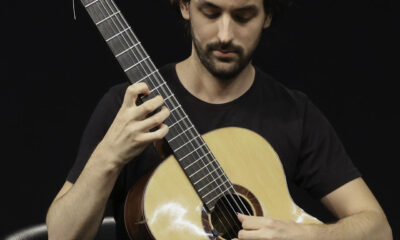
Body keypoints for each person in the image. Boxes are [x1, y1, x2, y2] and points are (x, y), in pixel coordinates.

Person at [46, 0, 393, 239]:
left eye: (243, 16)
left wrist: (305, 234)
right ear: (185, 6)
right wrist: (109, 156)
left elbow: (378, 229)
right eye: (210, 12)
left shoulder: (293, 114)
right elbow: (62, 235)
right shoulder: (131, 108)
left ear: (267, 15)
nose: (225, 34)